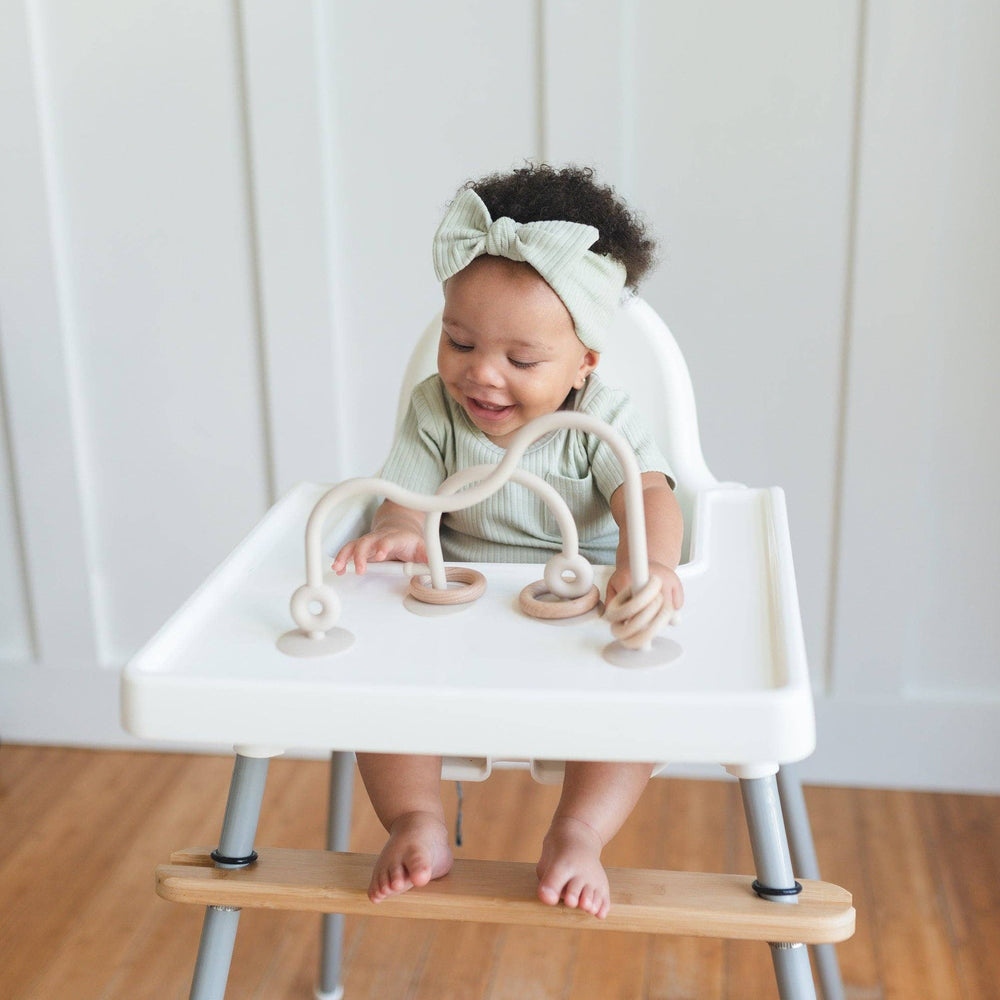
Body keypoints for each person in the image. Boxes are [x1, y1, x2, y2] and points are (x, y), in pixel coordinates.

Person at [333, 164, 684, 919]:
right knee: (376, 692)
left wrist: (646, 567)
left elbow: (650, 497)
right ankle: (416, 820)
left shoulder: (604, 421)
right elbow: (402, 500)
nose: (482, 376)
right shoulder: (437, 412)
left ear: (584, 362)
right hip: (455, 608)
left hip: (576, 606)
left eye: (522, 362)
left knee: (640, 699)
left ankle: (580, 832)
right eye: (459, 342)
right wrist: (395, 536)